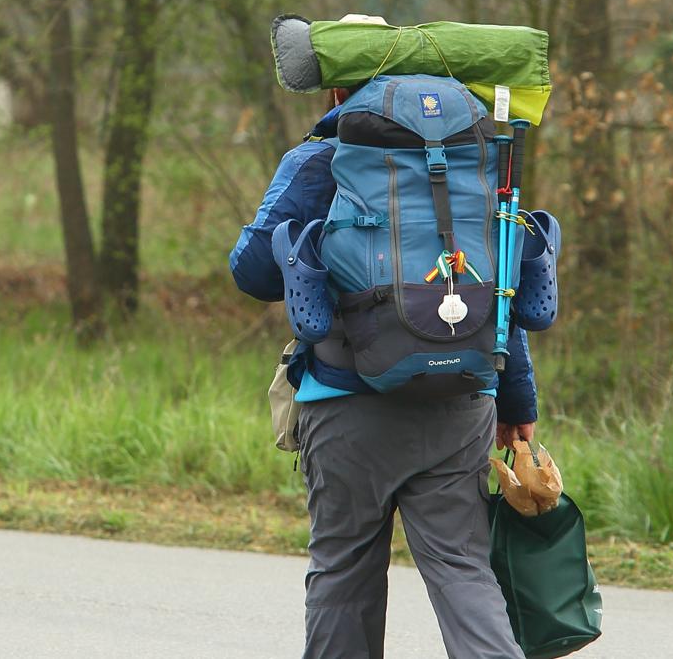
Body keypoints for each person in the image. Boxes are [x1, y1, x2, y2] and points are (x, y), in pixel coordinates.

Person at [229, 85, 538, 659]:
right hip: (461, 404)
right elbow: (497, 288)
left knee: (344, 575)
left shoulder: (322, 157)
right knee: (464, 571)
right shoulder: (474, 155)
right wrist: (518, 402)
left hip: (348, 405)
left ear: (338, 87)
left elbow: (251, 273)